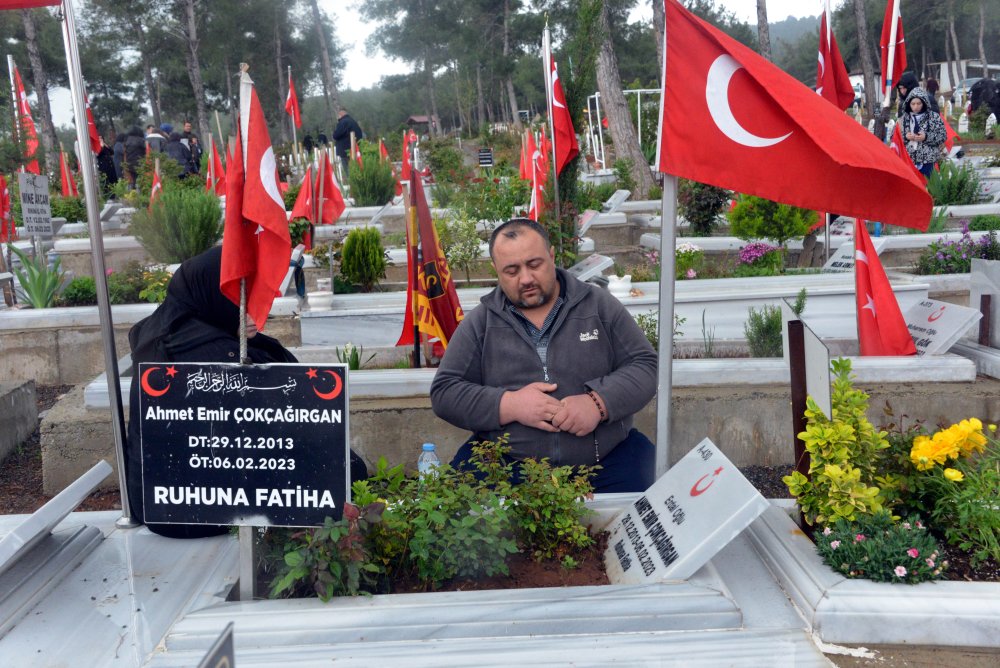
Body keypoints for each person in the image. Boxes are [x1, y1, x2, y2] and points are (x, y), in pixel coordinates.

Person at [126, 247, 368, 537]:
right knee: (348, 473)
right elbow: (284, 418)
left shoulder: (172, 329)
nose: (249, 306)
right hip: (193, 510)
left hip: (168, 505)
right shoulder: (206, 351)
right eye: (236, 296)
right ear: (211, 294)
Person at [430, 218, 658, 493]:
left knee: (649, 505)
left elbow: (645, 365)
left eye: (534, 264)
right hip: (507, 468)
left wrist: (598, 403)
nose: (525, 279)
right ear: (496, 270)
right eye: (511, 271)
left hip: (606, 462)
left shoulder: (599, 306)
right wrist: (510, 404)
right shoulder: (481, 323)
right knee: (457, 515)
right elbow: (444, 392)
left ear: (551, 256)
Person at [900, 86, 946, 179]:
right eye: (913, 104)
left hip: (928, 162)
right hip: (909, 161)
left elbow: (942, 136)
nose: (915, 107)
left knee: (929, 189)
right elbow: (894, 137)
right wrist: (905, 136)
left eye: (918, 103)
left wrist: (926, 137)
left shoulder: (933, 117)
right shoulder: (903, 119)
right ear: (908, 103)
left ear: (924, 102)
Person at [123, 126, 146, 190]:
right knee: (140, 180)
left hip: (129, 163)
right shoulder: (141, 140)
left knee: (133, 179)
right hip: (139, 163)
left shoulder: (127, 140)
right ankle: (140, 193)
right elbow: (146, 150)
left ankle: (133, 193)